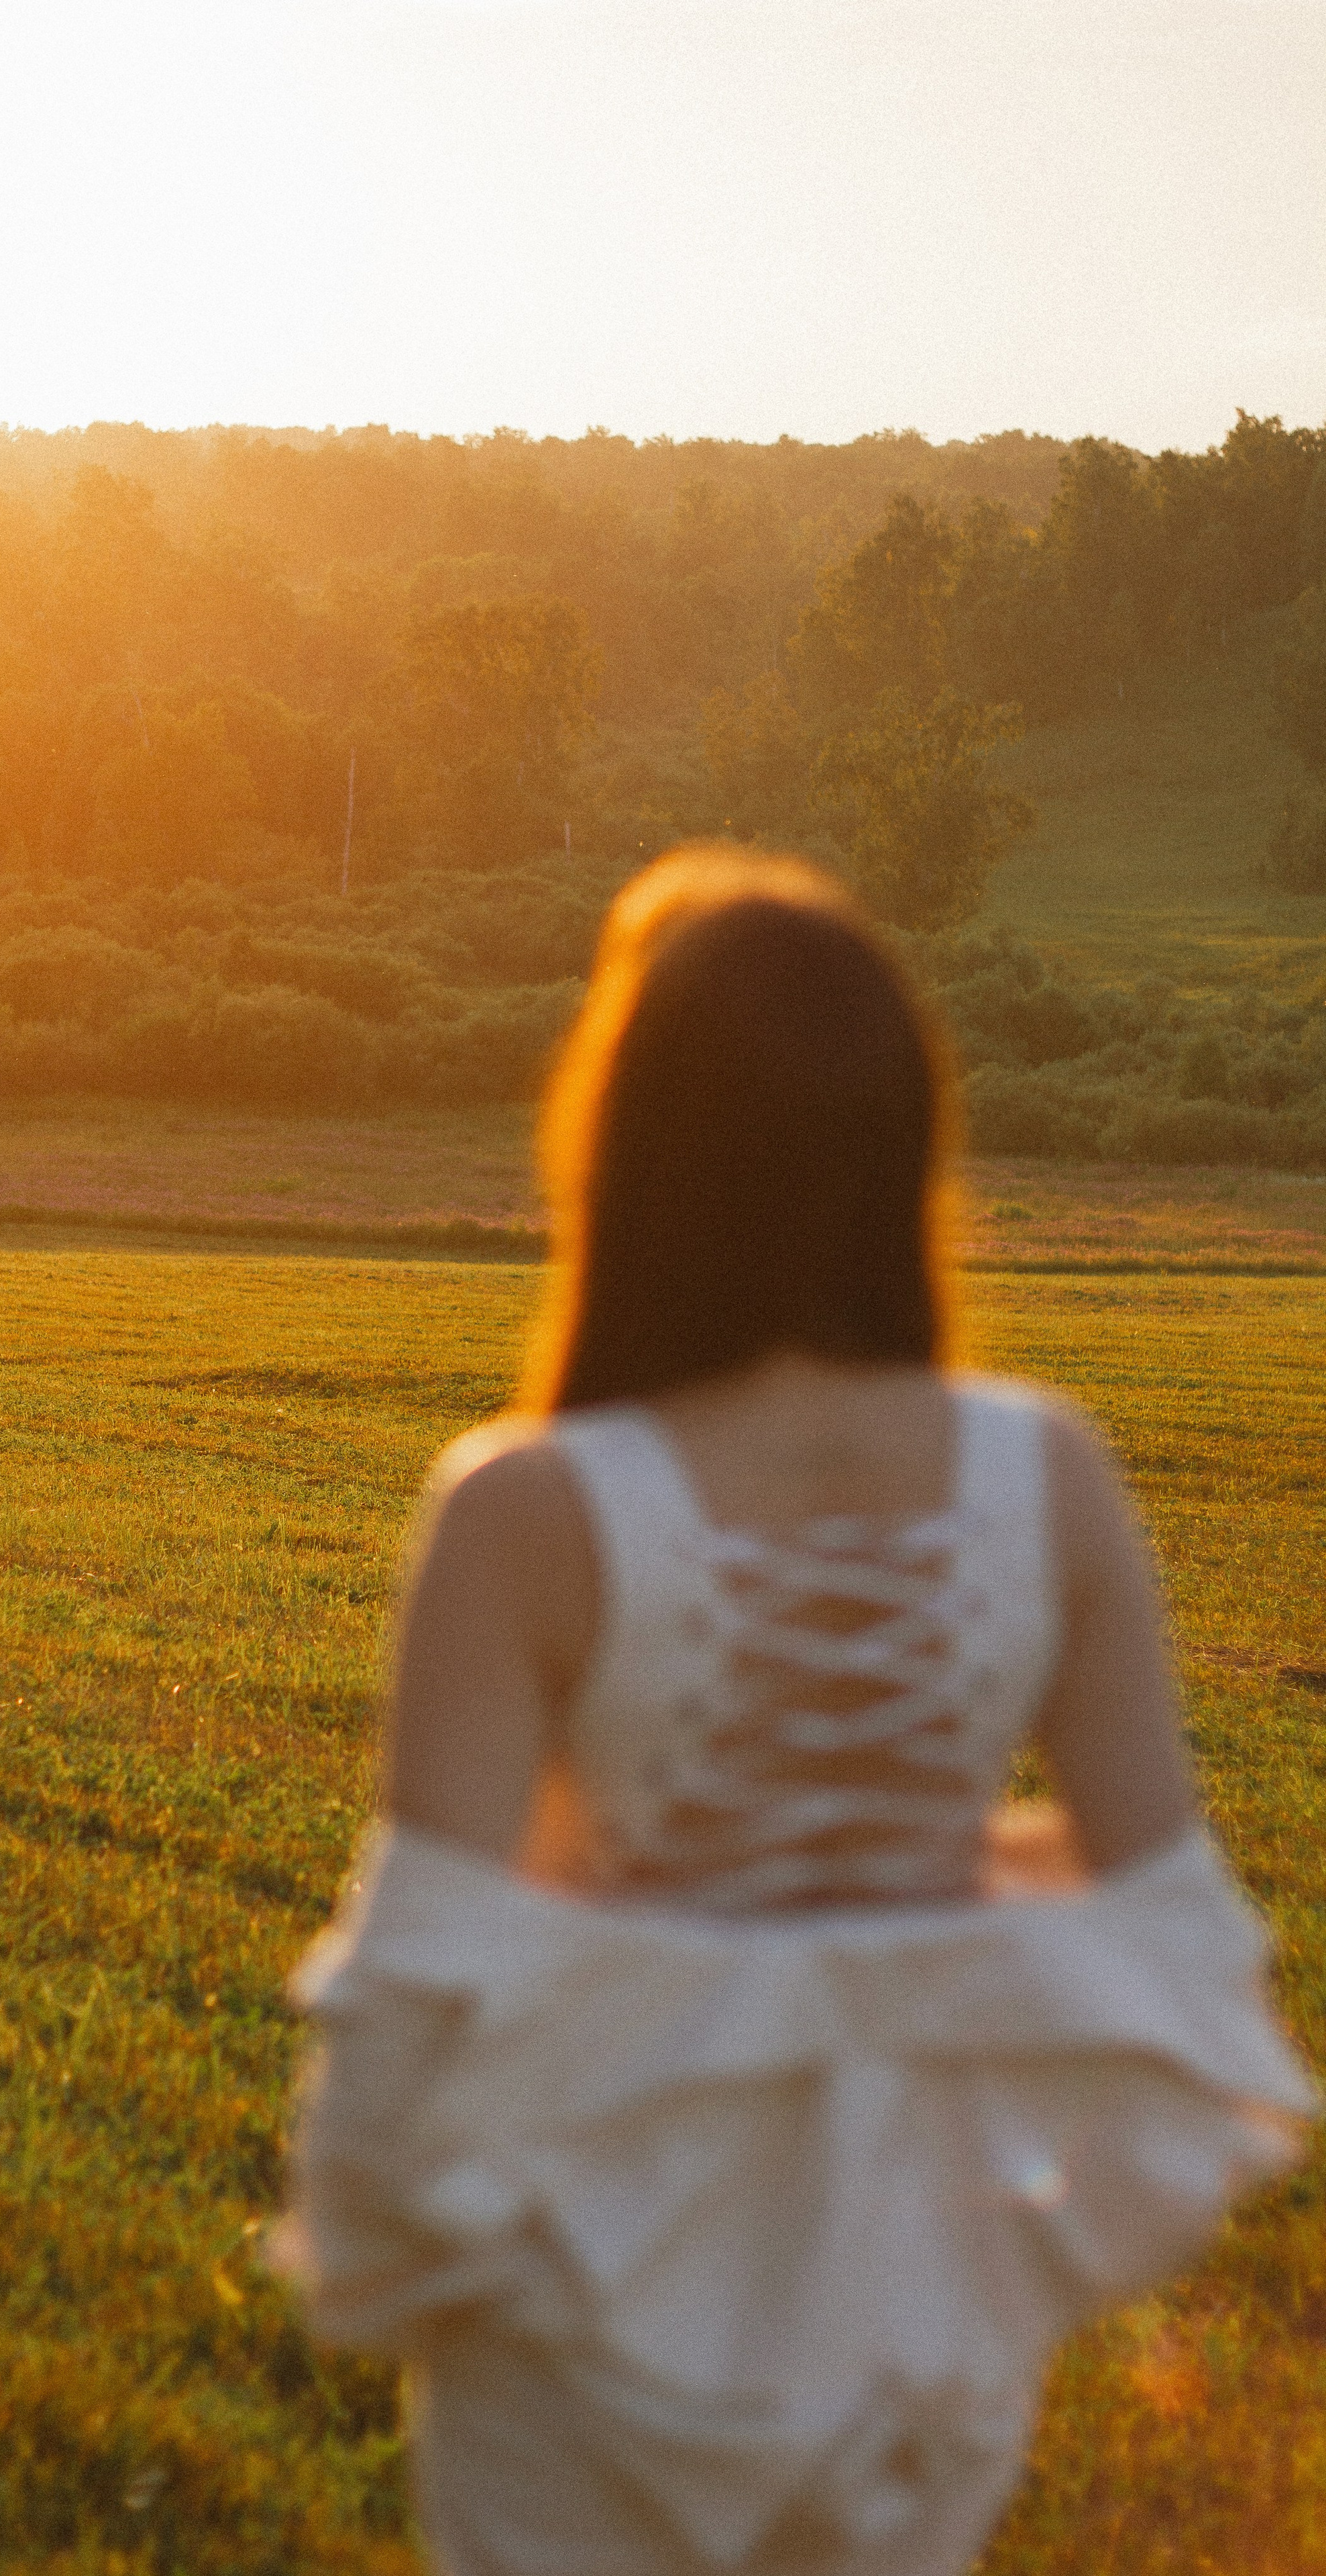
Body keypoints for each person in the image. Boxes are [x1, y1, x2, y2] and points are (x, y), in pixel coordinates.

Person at [273, 850, 1314, 2576]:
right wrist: (892, 1845)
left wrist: (403, 2256)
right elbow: (1173, 1922)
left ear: (628, 1145)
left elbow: (421, 1972)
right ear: (900, 1142)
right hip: (915, 2321)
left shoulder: (528, 1508)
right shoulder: (1040, 1472)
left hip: (587, 2287)